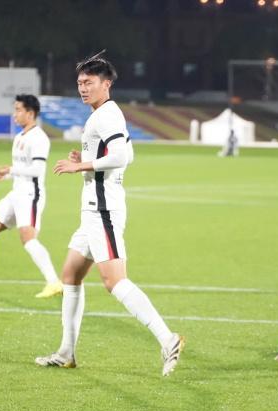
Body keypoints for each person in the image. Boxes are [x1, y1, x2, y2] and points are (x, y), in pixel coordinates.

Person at [35, 52, 185, 376]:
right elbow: (126, 151)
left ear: (107, 84)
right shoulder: (104, 114)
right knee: (71, 275)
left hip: (103, 210)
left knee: (114, 281)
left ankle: (167, 338)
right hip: (92, 211)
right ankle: (66, 352)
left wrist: (81, 166)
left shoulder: (107, 115)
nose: (83, 88)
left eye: (89, 82)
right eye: (80, 82)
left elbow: (121, 157)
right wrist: (86, 159)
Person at [0, 94, 61, 298]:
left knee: (28, 239)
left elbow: (37, 170)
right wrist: (5, 175)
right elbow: (22, 169)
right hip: (16, 194)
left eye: (18, 110)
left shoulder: (39, 138)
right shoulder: (20, 137)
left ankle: (54, 282)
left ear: (30, 113)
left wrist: (11, 169)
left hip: (30, 195)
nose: (15, 114)